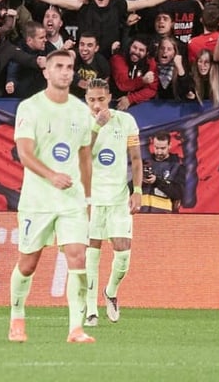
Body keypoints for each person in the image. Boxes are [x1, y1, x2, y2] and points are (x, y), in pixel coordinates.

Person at [8, 48, 96, 344]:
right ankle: (17, 318)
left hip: (71, 199)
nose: (65, 72)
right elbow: (24, 153)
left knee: (77, 256)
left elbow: (85, 157)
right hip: (38, 199)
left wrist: (88, 198)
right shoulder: (30, 108)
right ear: (45, 71)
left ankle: (76, 328)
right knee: (28, 263)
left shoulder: (81, 111)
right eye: (59, 66)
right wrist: (51, 175)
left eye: (70, 67)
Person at [83, 78, 142, 328]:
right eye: (91, 100)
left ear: (109, 97)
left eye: (101, 99)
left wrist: (137, 189)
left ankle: (110, 291)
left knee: (123, 255)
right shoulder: (81, 122)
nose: (97, 105)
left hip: (118, 197)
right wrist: (96, 126)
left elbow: (136, 158)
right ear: (86, 100)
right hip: (92, 198)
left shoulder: (125, 121)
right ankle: (90, 308)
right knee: (91, 253)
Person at [141, 132, 185, 213]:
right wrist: (139, 180)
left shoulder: (177, 166)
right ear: (152, 145)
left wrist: (156, 181)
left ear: (170, 145)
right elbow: (129, 189)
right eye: (156, 148)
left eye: (163, 148)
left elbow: (179, 194)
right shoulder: (144, 163)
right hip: (141, 214)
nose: (159, 152)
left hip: (165, 216)